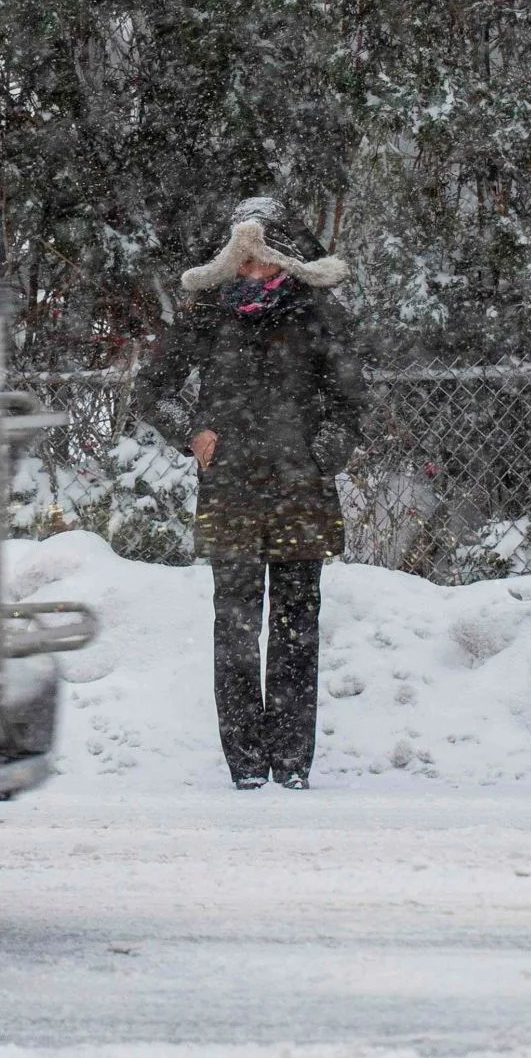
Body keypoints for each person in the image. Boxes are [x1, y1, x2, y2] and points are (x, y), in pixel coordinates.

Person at [143, 197, 368, 790]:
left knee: (297, 630)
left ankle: (292, 762)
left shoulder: (318, 315)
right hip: (232, 494)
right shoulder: (207, 316)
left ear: (284, 259)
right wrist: (191, 432)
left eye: (261, 261)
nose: (251, 273)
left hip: (301, 494)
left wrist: (323, 452)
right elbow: (155, 388)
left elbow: (352, 404)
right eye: (240, 263)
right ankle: (245, 764)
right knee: (236, 629)